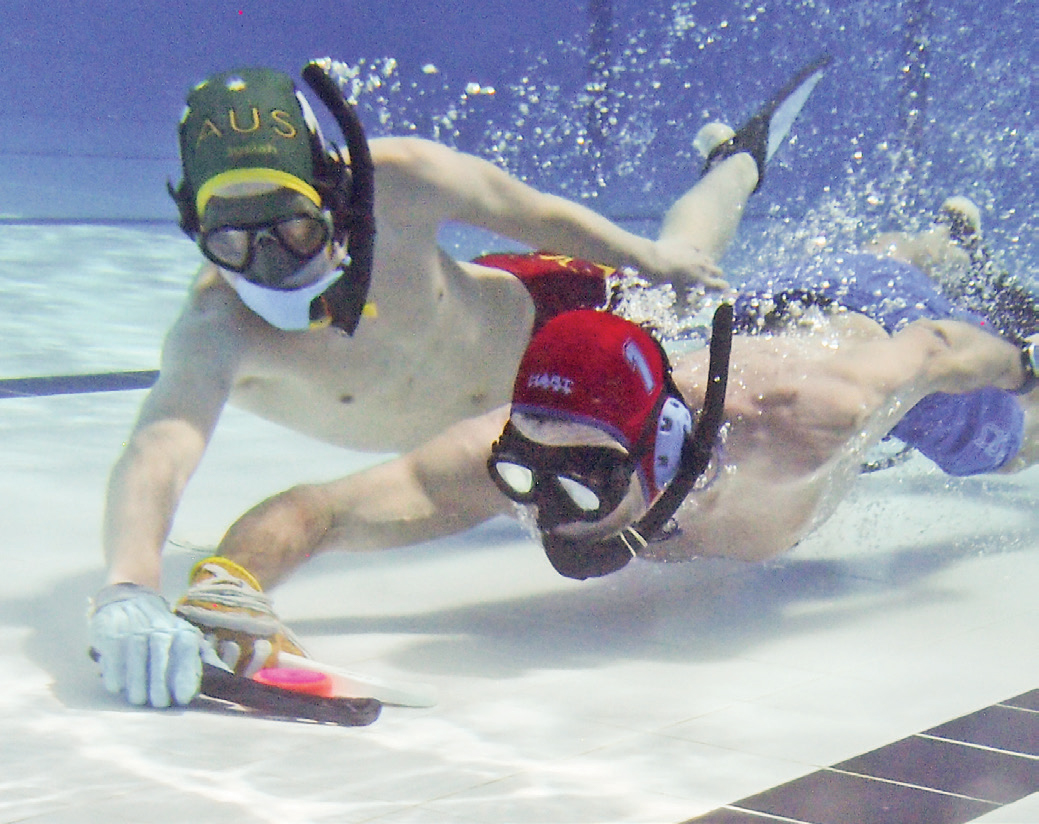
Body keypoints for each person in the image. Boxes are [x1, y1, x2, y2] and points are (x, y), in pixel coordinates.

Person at [89, 57, 833, 707]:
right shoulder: (214, 333)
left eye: (295, 232)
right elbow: (157, 452)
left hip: (559, 326)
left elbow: (532, 214)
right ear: (196, 230)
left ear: (332, 192)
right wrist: (128, 587)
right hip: (501, 429)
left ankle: (735, 162)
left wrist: (647, 257)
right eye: (231, 241)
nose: (271, 263)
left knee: (683, 267)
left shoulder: (400, 181)